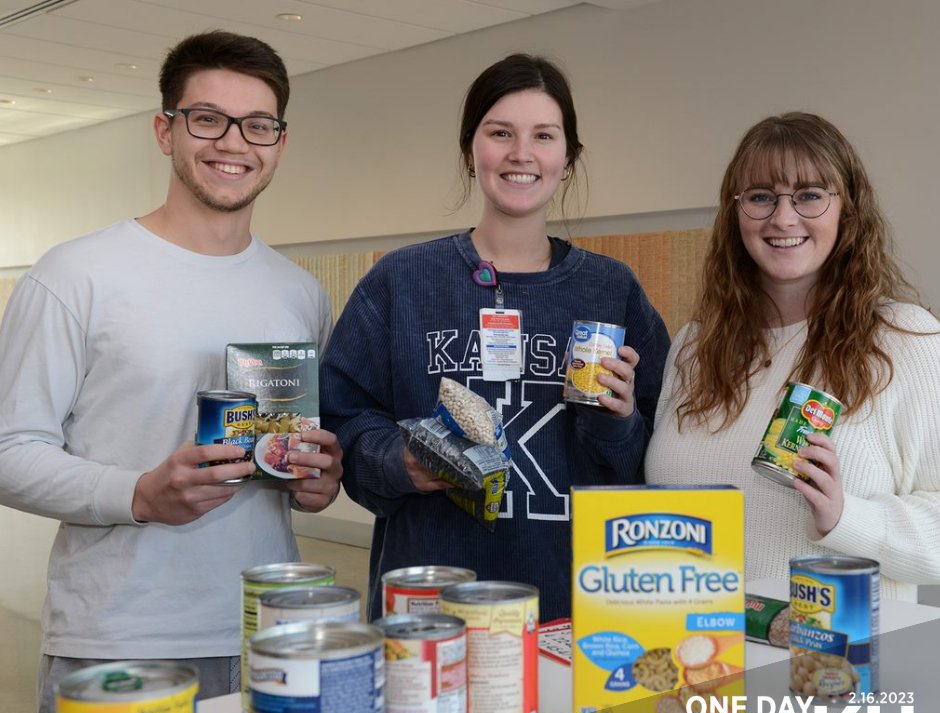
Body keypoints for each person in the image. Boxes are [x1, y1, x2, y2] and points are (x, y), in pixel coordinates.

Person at [0, 31, 343, 713]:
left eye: (257, 124)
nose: (233, 143)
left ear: (279, 140)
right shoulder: (76, 275)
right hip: (116, 639)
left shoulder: (299, 292)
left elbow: (302, 458)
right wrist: (139, 494)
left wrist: (319, 480)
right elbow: (8, 452)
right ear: (166, 129)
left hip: (265, 627)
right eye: (207, 119)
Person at [320, 54, 669, 622]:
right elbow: (341, 419)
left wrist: (619, 422)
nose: (521, 154)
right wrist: (395, 462)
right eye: (499, 133)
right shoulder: (402, 280)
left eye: (543, 136)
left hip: (579, 608)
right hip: (430, 605)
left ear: (568, 157)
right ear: (470, 148)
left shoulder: (612, 290)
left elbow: (659, 460)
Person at [645, 112, 940, 600]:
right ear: (736, 212)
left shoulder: (905, 339)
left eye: (809, 195)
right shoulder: (695, 346)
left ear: (847, 208)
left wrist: (846, 517)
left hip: (831, 665)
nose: (783, 218)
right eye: (761, 197)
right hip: (696, 658)